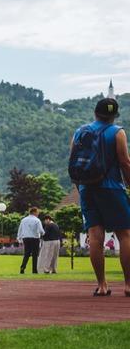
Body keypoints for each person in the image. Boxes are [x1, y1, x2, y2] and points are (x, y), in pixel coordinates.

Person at [70, 96, 130, 296]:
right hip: (112, 187)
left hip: (87, 188)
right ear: (114, 116)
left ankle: (102, 285)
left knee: (95, 236)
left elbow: (73, 164)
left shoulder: (80, 132)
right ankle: (128, 285)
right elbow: (124, 162)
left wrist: (81, 188)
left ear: (95, 113)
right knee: (125, 234)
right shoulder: (118, 132)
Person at [16, 207, 43, 274]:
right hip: (35, 239)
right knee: (35, 255)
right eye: (37, 212)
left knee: (26, 254)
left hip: (26, 238)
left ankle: (22, 267)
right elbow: (41, 230)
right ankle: (34, 270)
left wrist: (19, 238)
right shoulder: (37, 220)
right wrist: (44, 233)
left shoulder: (23, 220)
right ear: (34, 212)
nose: (38, 214)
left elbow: (20, 230)